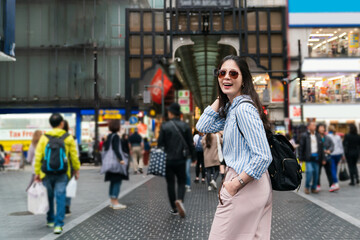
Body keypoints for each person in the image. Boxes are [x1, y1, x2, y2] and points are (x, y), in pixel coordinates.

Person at [196, 55, 273, 239]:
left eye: (233, 73)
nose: (227, 77)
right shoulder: (232, 109)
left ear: (244, 79)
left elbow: (263, 155)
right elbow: (202, 126)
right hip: (253, 183)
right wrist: (221, 95)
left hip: (244, 182)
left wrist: (234, 185)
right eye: (222, 73)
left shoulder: (243, 110)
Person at [34, 113, 80, 234]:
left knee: (48, 196)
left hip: (46, 173)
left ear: (50, 124)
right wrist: (76, 169)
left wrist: (37, 173)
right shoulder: (68, 137)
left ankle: (50, 220)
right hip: (62, 172)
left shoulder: (44, 138)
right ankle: (58, 225)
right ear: (62, 123)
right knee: (61, 197)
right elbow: (74, 156)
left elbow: (39, 156)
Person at [158, 102, 195, 218]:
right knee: (181, 181)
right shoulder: (185, 126)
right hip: (181, 159)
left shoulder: (164, 126)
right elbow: (190, 143)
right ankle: (180, 200)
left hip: (168, 160)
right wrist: (194, 157)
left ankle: (174, 208)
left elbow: (160, 144)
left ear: (171, 113)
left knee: (170, 183)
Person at [103, 120, 129, 210]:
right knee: (117, 182)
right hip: (115, 163)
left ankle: (112, 201)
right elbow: (116, 149)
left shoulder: (109, 136)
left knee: (112, 181)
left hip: (109, 163)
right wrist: (121, 159)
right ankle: (115, 202)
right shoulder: (116, 137)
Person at [299, 121, 324, 194]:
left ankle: (314, 187)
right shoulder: (304, 135)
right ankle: (307, 187)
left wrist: (323, 158)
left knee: (316, 173)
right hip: (308, 158)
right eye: (312, 125)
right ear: (308, 127)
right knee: (309, 172)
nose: (314, 127)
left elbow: (321, 147)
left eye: (315, 125)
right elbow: (301, 147)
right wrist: (300, 158)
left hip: (317, 157)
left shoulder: (318, 135)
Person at [316, 123, 334, 191]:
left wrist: (329, 150)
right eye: (321, 127)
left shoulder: (327, 137)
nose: (322, 129)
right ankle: (317, 185)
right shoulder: (316, 137)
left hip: (327, 157)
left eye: (323, 127)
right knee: (318, 172)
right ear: (318, 128)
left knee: (329, 171)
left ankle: (331, 185)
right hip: (318, 157)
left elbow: (332, 145)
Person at [327, 125, 344, 192]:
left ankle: (336, 183)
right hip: (338, 154)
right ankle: (335, 180)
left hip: (331, 154)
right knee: (335, 167)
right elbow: (341, 146)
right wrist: (343, 154)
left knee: (332, 168)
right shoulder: (338, 136)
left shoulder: (328, 136)